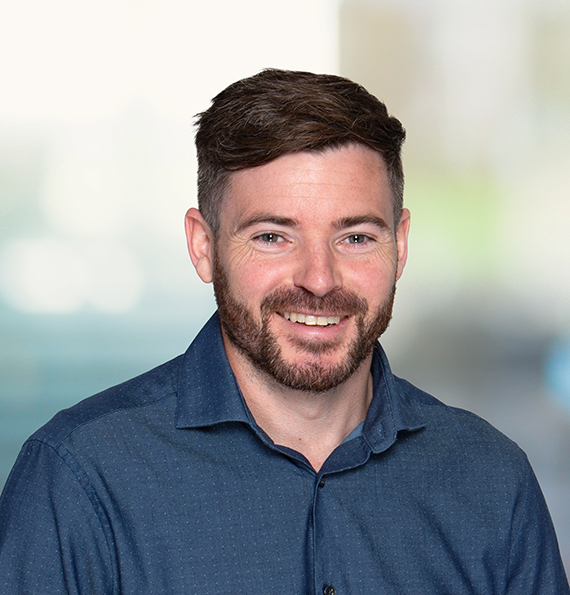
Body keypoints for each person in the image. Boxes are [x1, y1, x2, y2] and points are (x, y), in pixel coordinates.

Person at [0, 69, 568, 595]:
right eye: (273, 237)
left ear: (400, 245)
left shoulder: (492, 482)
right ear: (203, 246)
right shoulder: (79, 479)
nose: (319, 279)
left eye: (356, 237)